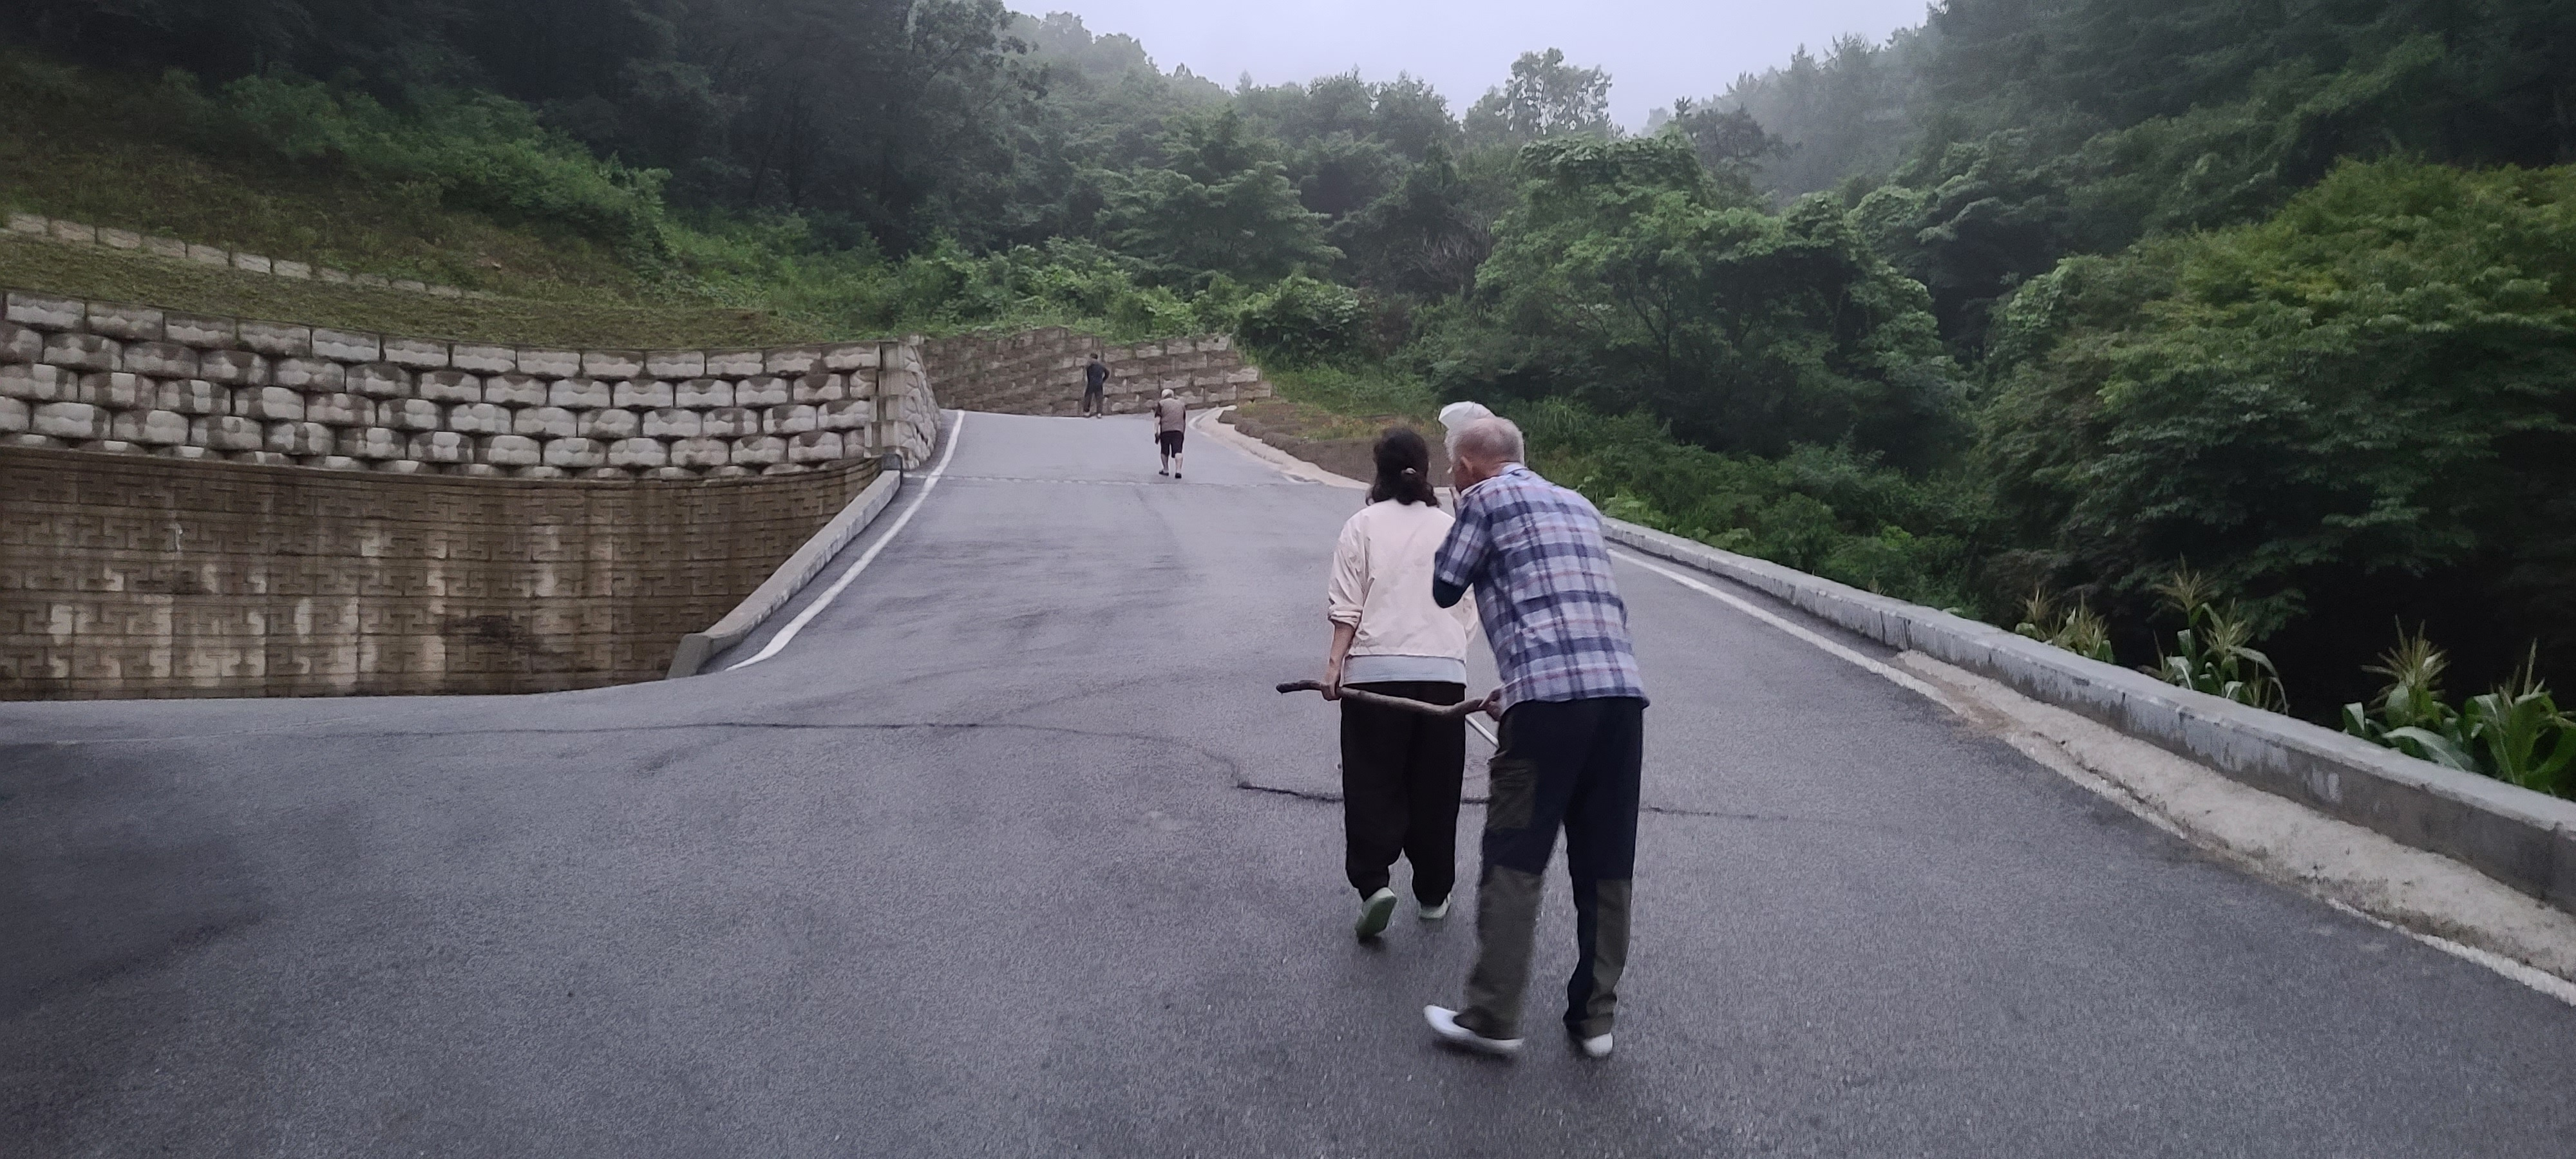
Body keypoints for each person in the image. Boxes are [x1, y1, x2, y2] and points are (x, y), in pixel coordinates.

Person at [1423, 416, 1647, 1062]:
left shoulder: (1482, 498)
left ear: (1467, 465)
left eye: (1453, 468)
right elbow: (1566, 605)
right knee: (1607, 862)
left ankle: (1493, 1016)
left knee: (1515, 854)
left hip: (1547, 710)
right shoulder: (1578, 505)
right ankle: (1595, 1020)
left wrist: (1461, 506)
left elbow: (1444, 586)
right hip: (1619, 700)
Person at [1325, 428, 1477, 940]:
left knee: (1372, 781)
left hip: (1375, 677)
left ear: (1379, 470)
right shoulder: (1451, 527)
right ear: (1426, 469)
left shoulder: (1361, 525)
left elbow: (1347, 606)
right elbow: (1468, 605)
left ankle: (1374, 885)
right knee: (1436, 787)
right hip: (1442, 678)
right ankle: (1433, 894)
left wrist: (1333, 668)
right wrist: (1447, 649)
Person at [1153, 388, 1188, 478]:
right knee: (1178, 451)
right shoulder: (1181, 404)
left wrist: (1156, 431)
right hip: (1179, 430)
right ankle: (1178, 471)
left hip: (1166, 430)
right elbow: (1184, 420)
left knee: (1164, 451)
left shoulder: (1161, 403)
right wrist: (1183, 432)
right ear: (1172, 395)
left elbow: (1158, 418)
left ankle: (1166, 469)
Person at [1082, 352, 1110, 417]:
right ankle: (1099, 413)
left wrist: (1089, 381)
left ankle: (1087, 412)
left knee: (1088, 397)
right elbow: (1107, 373)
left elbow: (1088, 375)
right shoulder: (1101, 366)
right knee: (1099, 398)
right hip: (1099, 383)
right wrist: (1103, 380)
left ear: (1092, 358)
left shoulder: (1089, 366)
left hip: (1091, 383)